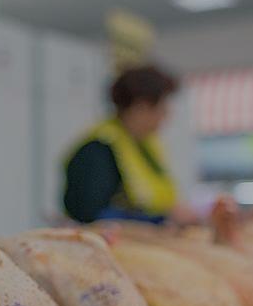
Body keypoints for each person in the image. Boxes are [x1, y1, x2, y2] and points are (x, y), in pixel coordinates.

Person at [63, 65, 195, 224]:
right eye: (162, 108)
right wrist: (160, 219)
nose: (166, 116)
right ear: (141, 107)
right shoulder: (98, 149)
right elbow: (89, 214)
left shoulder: (144, 146)